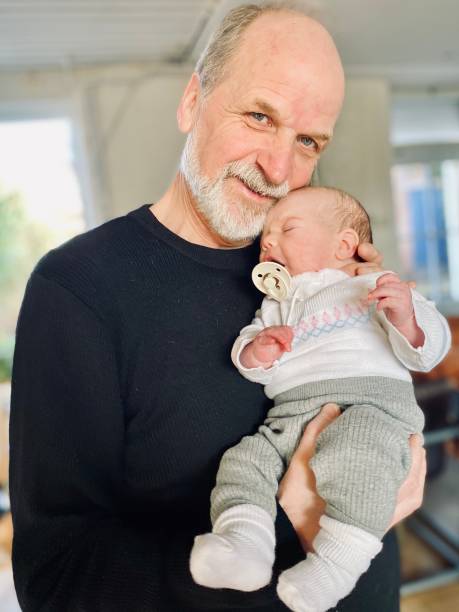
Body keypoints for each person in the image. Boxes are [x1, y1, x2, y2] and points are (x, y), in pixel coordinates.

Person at [9, 4, 426, 611]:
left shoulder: (327, 272)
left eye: (307, 140)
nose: (279, 170)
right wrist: (295, 532)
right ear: (191, 102)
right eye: (260, 116)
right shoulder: (78, 289)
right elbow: (58, 577)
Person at [189, 187, 451, 611]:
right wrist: (258, 351)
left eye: (286, 229)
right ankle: (244, 543)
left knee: (357, 455)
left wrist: (406, 316)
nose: (269, 242)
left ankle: (337, 564)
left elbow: (428, 349)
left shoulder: (374, 286)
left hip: (371, 408)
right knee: (244, 459)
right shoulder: (276, 305)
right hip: (290, 414)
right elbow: (248, 352)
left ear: (345, 244)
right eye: (265, 238)